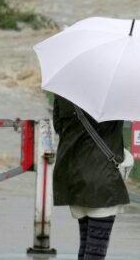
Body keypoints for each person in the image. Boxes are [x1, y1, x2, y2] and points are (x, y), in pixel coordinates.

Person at [52, 95, 130, 260]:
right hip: (101, 180)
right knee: (95, 251)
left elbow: (58, 126)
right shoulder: (114, 94)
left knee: (86, 246)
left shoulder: (65, 92)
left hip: (73, 176)